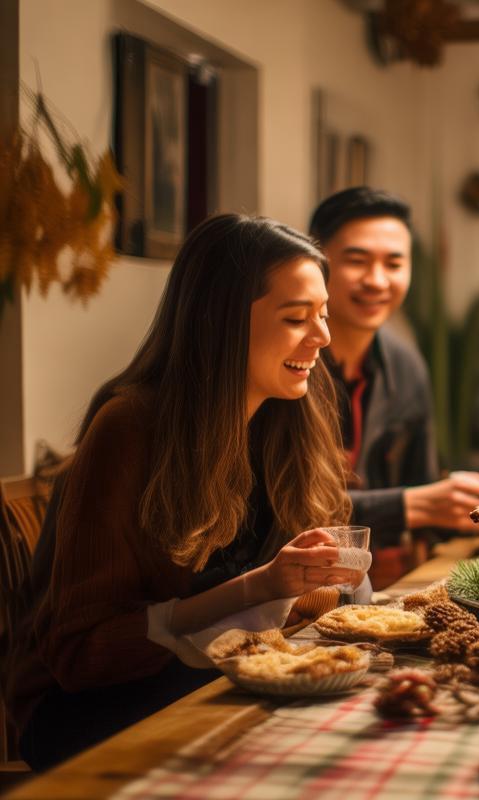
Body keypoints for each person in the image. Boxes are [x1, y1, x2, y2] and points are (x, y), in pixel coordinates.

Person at [6, 215, 364, 770]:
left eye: (322, 314)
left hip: (213, 679)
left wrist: (303, 582)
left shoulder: (291, 417)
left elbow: (312, 599)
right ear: (220, 323)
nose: (323, 337)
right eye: (297, 318)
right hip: (95, 706)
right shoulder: (130, 428)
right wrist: (261, 587)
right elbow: (82, 655)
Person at [308, 188, 479, 550]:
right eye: (357, 260)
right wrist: (410, 506)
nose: (378, 281)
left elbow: (423, 489)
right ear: (316, 260)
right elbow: (276, 510)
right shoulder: (290, 359)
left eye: (394, 264)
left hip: (373, 578)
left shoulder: (405, 363)